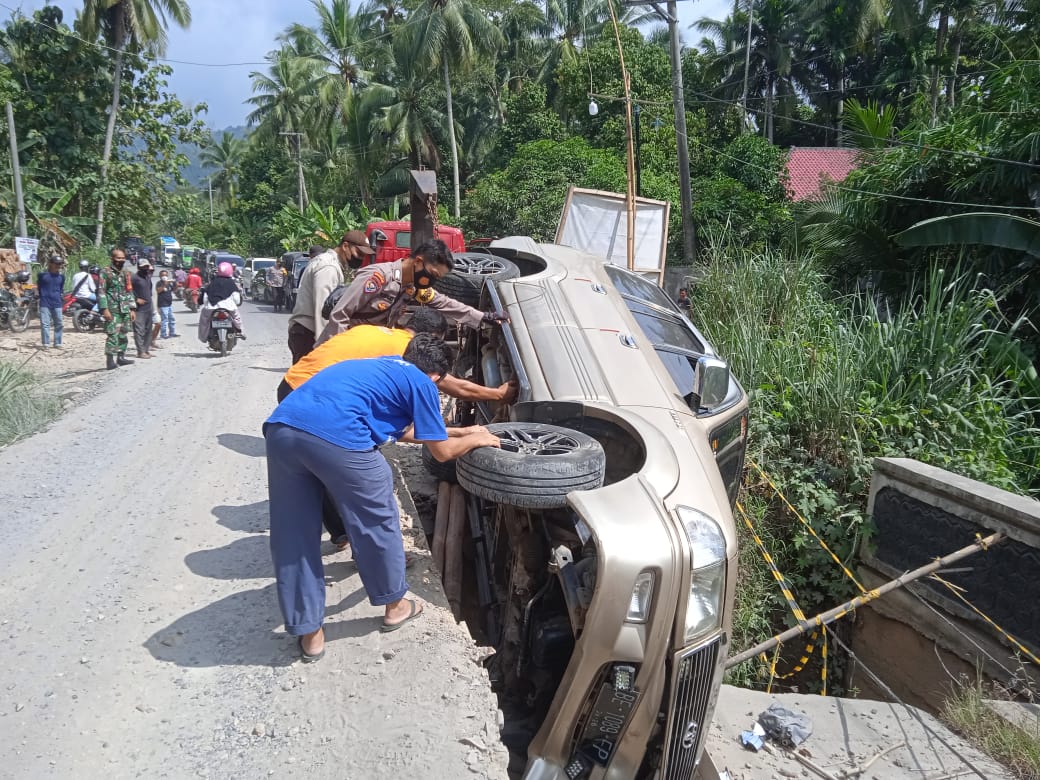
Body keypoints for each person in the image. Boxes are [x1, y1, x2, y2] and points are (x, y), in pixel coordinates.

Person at [264, 334, 500, 661]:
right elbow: (443, 453)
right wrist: (479, 440)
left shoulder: (376, 368)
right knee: (375, 520)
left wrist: (463, 432)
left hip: (282, 429)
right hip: (339, 437)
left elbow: (402, 430)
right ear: (437, 375)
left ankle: (310, 634)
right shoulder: (423, 383)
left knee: (294, 533)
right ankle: (395, 605)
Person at [316, 238, 508, 347]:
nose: (432, 281)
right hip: (340, 349)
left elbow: (446, 304)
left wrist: (484, 317)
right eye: (432, 274)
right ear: (418, 261)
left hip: (364, 346)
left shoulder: (412, 287)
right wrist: (337, 354)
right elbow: (341, 314)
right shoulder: (379, 277)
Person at [287, 231, 374, 364]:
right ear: (345, 246)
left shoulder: (329, 263)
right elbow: (323, 311)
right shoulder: (328, 267)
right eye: (359, 253)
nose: (361, 259)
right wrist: (327, 348)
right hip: (309, 334)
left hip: (307, 333)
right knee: (307, 382)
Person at [98, 248, 136, 370]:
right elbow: (101, 291)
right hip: (112, 309)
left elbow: (129, 290)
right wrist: (104, 309)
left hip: (125, 308)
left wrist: (132, 308)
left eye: (123, 258)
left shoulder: (126, 273)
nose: (121, 260)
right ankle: (110, 360)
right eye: (118, 258)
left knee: (123, 333)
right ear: (112, 258)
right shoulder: (105, 272)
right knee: (112, 334)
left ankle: (121, 357)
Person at [197, 261, 244, 342]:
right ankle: (240, 332)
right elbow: (237, 300)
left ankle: (203, 337)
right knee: (237, 318)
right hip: (229, 307)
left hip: (211, 307)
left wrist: (206, 304)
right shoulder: (232, 283)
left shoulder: (212, 283)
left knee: (204, 320)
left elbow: (205, 298)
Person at [37, 254, 65, 349]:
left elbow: (60, 289)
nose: (58, 265)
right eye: (56, 263)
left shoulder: (62, 277)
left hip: (57, 303)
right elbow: (39, 288)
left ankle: (58, 343)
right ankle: (46, 343)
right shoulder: (42, 275)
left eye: (60, 263)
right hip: (45, 302)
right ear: (50, 264)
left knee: (59, 323)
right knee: (45, 324)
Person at [131, 258, 156, 359]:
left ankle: (146, 350)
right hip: (138, 309)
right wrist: (136, 299)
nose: (146, 268)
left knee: (148, 330)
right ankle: (140, 352)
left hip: (148, 307)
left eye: (147, 266)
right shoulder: (134, 278)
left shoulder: (147, 277)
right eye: (143, 267)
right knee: (139, 330)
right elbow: (127, 291)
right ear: (139, 267)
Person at [156, 270, 178, 339]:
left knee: (172, 319)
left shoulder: (169, 283)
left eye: (165, 275)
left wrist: (175, 283)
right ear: (160, 276)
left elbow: (174, 290)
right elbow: (158, 290)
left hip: (169, 305)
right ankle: (163, 334)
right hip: (162, 305)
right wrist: (165, 283)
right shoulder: (159, 283)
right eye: (162, 275)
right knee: (164, 320)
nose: (164, 277)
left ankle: (172, 333)